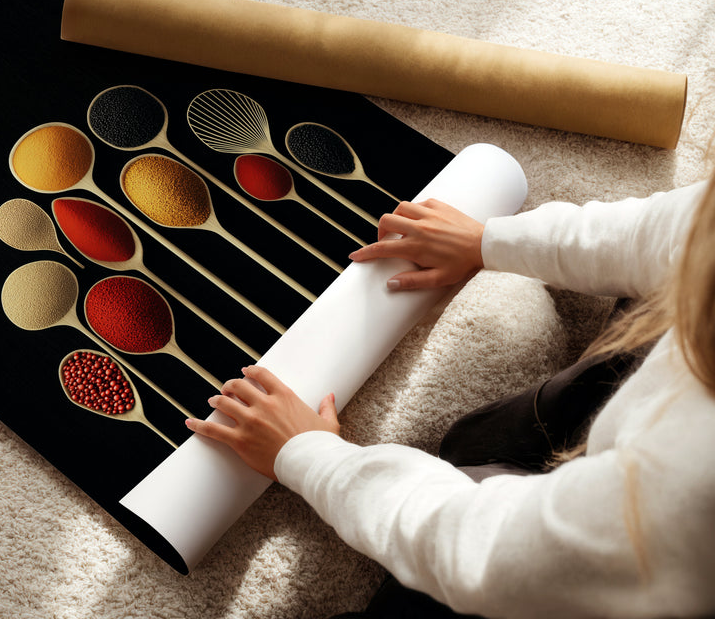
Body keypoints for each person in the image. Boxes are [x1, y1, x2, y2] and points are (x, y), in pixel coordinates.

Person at [185, 173, 715, 618]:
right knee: (478, 443)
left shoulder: (690, 488)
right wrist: (487, 241)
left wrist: (309, 455)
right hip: (645, 457)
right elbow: (674, 230)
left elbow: (485, 553)